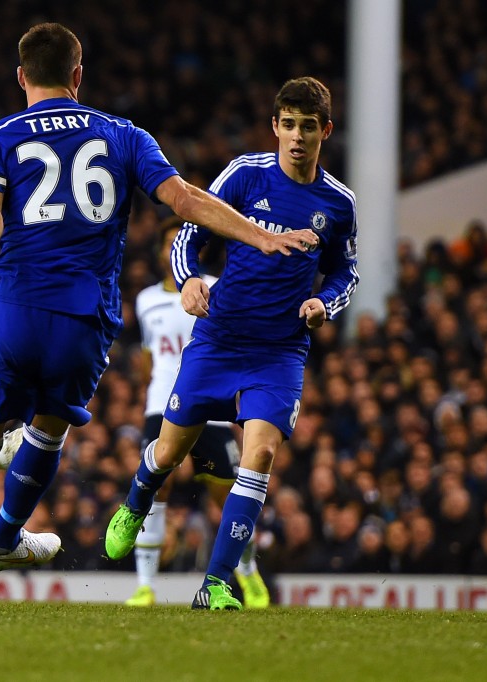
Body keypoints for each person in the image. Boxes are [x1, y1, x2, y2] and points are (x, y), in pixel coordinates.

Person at [0, 23, 315, 611]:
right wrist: (259, 235)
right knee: (47, 429)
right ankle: (8, 537)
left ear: (21, 76)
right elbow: (185, 200)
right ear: (78, 74)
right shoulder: (123, 135)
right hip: (84, 319)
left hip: (13, 309)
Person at [105, 76, 360, 610]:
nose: (296, 136)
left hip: (279, 352)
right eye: (287, 125)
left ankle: (216, 583)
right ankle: (136, 499)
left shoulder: (338, 203)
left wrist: (324, 303)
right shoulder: (245, 175)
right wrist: (192, 278)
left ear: (325, 132)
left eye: (307, 127)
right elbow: (189, 236)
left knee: (259, 453)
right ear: (274, 126)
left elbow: (346, 273)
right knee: (170, 451)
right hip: (219, 339)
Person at [125, 216, 269, 608]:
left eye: (180, 243)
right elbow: (147, 358)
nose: (173, 249)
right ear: (161, 251)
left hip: (212, 404)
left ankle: (248, 574)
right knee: (158, 485)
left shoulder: (216, 288)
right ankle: (145, 585)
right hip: (161, 404)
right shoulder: (145, 300)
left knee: (227, 494)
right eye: (167, 243)